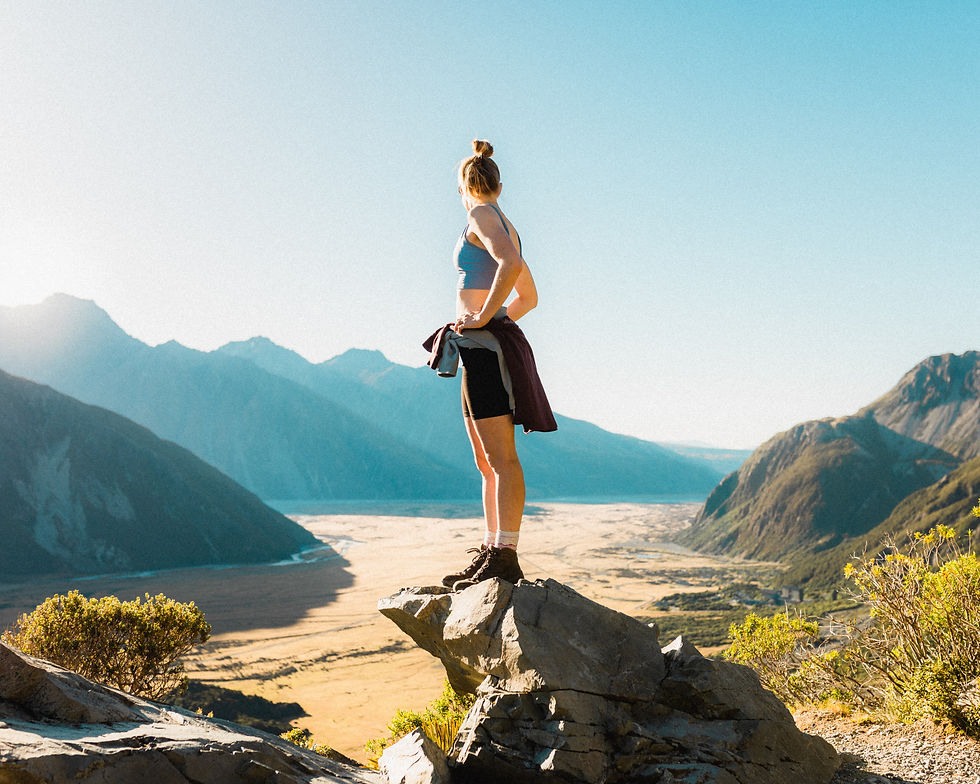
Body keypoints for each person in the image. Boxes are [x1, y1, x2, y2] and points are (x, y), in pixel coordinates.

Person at [436, 139, 554, 590]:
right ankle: (492, 550)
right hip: (479, 348)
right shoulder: (504, 222)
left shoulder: (481, 216)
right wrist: (494, 318)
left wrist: (485, 317)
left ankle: (505, 556)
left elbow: (510, 263)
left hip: (485, 349)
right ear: (499, 185)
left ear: (463, 188)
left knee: (500, 459)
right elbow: (530, 296)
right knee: (488, 462)